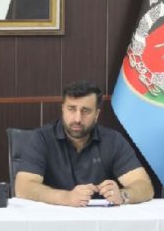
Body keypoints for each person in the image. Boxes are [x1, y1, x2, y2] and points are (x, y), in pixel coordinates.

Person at [14, 80, 154, 207]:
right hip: (54, 219)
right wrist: (66, 197)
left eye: (85, 111)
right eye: (71, 109)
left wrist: (123, 195)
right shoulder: (41, 138)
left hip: (102, 220)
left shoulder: (113, 141)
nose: (77, 119)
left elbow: (145, 186)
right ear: (63, 109)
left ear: (97, 114)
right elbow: (23, 186)